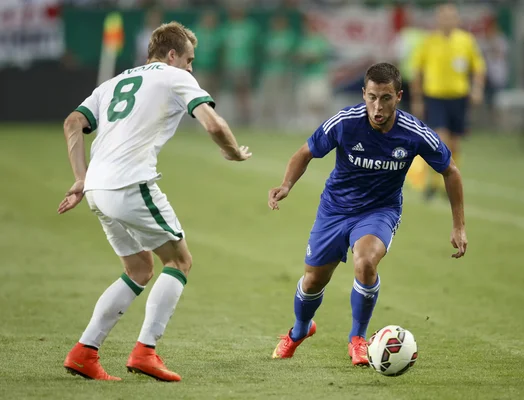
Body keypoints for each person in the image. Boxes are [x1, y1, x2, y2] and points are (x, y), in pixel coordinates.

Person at [58, 21, 252, 382]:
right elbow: (213, 124)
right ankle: (145, 351)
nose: (192, 68)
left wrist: (81, 178)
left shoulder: (113, 82)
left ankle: (84, 352)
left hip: (98, 189)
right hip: (131, 183)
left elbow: (72, 123)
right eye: (190, 59)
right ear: (173, 54)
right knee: (179, 261)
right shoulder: (173, 76)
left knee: (139, 270)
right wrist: (234, 153)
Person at [268, 62, 467, 366]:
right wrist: (286, 185)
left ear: (398, 96)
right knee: (312, 281)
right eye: (372, 97)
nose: (377, 106)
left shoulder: (413, 133)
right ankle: (299, 331)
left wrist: (458, 227)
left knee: (365, 263)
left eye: (385, 98)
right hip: (335, 209)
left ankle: (358, 339)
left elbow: (450, 171)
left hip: (379, 211)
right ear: (363, 94)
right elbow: (305, 152)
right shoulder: (345, 122)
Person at [410, 3, 485, 200]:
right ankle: (435, 183)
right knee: (440, 138)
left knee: (455, 143)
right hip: (435, 96)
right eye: (443, 16)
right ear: (437, 19)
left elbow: (478, 67)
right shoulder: (428, 41)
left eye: (451, 16)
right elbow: (417, 71)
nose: (447, 20)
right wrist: (417, 98)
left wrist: (477, 89)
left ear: (457, 20)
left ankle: (450, 182)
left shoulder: (466, 41)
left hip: (458, 97)